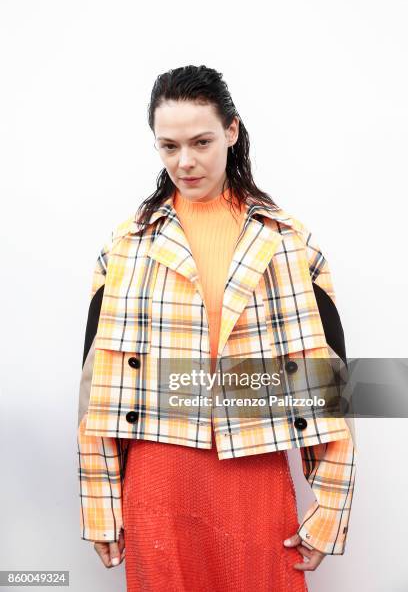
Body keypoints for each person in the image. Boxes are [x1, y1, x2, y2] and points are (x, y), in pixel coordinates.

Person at [77, 65, 356, 592]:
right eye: (168, 146)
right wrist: (100, 504)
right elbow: (96, 384)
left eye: (201, 141)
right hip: (157, 474)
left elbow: (330, 382)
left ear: (231, 131)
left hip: (255, 473)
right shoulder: (124, 247)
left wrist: (332, 507)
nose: (185, 161)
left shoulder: (290, 241)